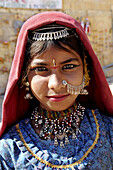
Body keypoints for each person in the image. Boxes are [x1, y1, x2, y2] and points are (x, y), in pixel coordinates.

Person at [0, 11, 113, 170]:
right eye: (41, 69)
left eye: (68, 67)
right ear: (25, 76)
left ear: (86, 70)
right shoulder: (9, 150)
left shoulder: (109, 132)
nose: (56, 84)